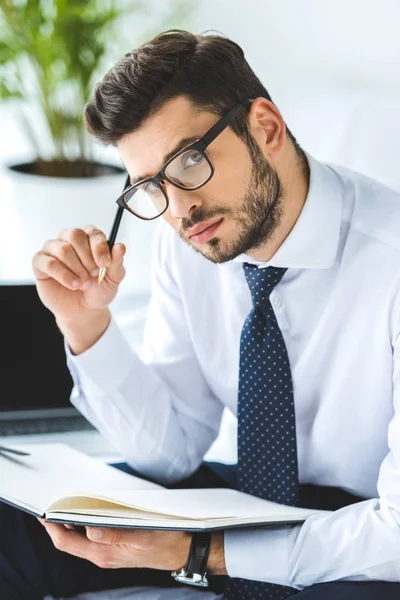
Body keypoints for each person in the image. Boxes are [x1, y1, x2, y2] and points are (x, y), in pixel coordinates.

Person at [2, 28, 400, 600]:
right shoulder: (191, 241)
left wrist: (202, 553)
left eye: (188, 161)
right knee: (19, 529)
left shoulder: (388, 259)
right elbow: (173, 451)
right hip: (246, 503)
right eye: (149, 185)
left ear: (265, 127)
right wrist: (85, 324)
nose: (181, 207)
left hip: (367, 533)